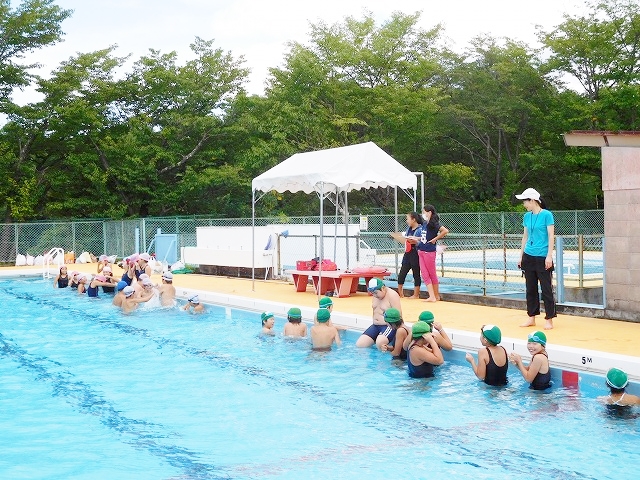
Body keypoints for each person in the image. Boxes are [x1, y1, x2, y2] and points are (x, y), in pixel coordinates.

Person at [515, 188, 557, 330]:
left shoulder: (547, 215)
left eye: (525, 201)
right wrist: (521, 256)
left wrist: (549, 256)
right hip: (529, 255)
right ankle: (531, 317)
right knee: (530, 288)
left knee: (546, 289)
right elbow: (525, 236)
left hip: (542, 255)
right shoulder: (527, 216)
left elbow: (551, 236)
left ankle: (549, 318)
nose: (524, 204)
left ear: (532, 200)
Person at [413, 204, 449, 302]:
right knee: (425, 274)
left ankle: (435, 295)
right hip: (421, 250)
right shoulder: (425, 224)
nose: (423, 214)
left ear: (429, 212)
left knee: (431, 273)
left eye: (424, 212)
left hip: (429, 251)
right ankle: (432, 295)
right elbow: (424, 237)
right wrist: (416, 238)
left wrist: (435, 239)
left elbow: (445, 231)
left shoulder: (434, 224)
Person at [355, 279, 402, 349]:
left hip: (388, 326)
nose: (374, 295)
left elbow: (399, 315)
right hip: (375, 326)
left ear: (383, 288)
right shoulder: (376, 295)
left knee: (380, 343)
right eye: (372, 293)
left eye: (376, 293)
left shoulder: (392, 295)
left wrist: (399, 333)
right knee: (360, 345)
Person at [397, 212, 423, 298]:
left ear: (413, 219)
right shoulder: (409, 229)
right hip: (408, 252)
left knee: (416, 273)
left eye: (408, 219)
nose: (407, 221)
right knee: (402, 272)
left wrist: (415, 241)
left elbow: (423, 241)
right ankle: (400, 293)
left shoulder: (420, 229)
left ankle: (416, 294)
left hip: (415, 253)